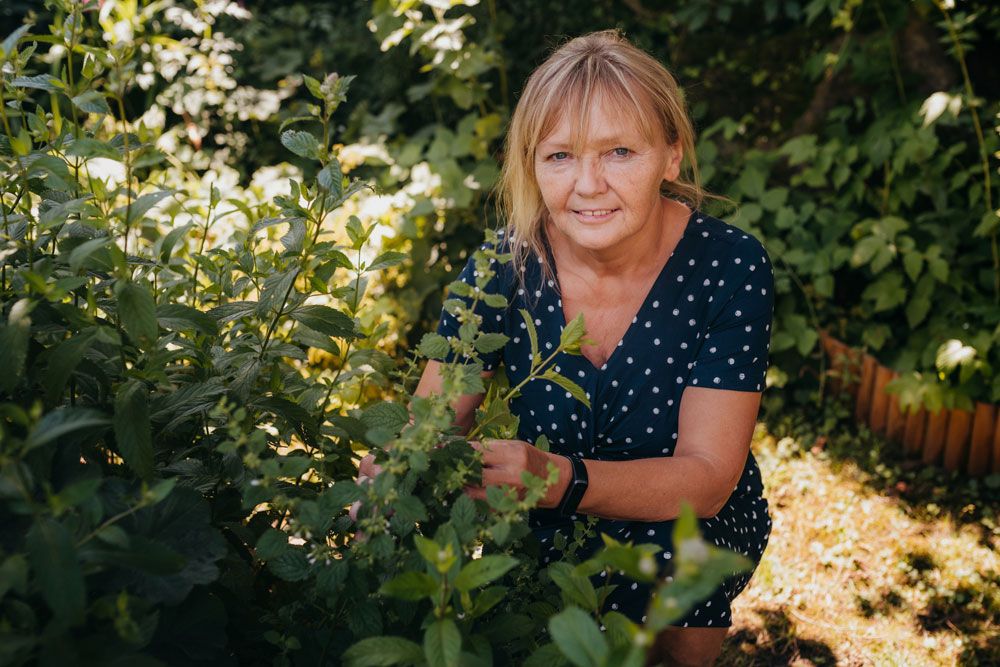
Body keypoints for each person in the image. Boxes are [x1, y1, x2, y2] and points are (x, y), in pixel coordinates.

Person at [364, 30, 774, 666]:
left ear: (671, 154)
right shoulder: (505, 264)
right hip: (545, 519)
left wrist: (557, 478)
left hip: (687, 520)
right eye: (559, 156)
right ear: (531, 164)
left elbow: (709, 479)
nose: (588, 185)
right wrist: (400, 467)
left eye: (619, 152)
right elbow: (434, 420)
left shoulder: (730, 265)